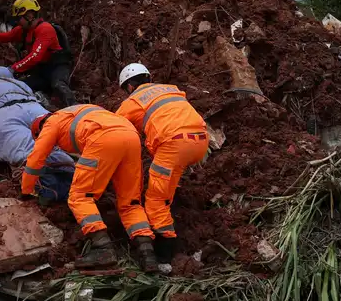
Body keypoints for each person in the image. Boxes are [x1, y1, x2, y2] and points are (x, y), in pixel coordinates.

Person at [22, 106, 158, 270]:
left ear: (39, 129)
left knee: (79, 197)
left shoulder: (51, 123)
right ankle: (147, 254)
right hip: (130, 136)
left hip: (103, 138)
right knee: (131, 202)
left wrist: (27, 190)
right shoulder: (78, 113)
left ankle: (103, 248)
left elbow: (35, 159)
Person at [116, 63, 209, 258]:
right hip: (201, 141)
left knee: (155, 199)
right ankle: (169, 206)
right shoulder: (171, 89)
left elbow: (113, 128)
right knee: (167, 186)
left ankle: (165, 253)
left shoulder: (132, 101)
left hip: (173, 145)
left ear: (130, 86)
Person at [0, 67, 75, 201]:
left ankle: (44, 185)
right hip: (34, 108)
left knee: (24, 151)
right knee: (51, 141)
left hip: (4, 113)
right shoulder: (20, 84)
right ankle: (70, 169)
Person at [0, 0, 76, 106]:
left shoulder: (45, 29)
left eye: (20, 18)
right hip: (41, 71)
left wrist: (13, 69)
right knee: (22, 86)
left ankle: (76, 108)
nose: (18, 22)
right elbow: (2, 37)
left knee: (59, 85)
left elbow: (35, 56)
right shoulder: (23, 30)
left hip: (57, 67)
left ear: (30, 15)